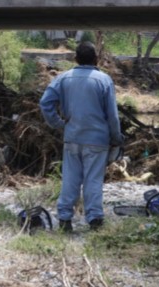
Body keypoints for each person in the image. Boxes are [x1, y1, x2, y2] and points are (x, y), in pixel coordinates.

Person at [39, 42, 123, 233]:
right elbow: (112, 115)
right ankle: (94, 220)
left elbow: (45, 104)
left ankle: (65, 219)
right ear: (96, 59)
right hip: (97, 140)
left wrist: (60, 124)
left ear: (75, 59)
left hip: (72, 138)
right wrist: (116, 138)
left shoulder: (63, 78)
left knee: (70, 179)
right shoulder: (103, 80)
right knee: (93, 180)